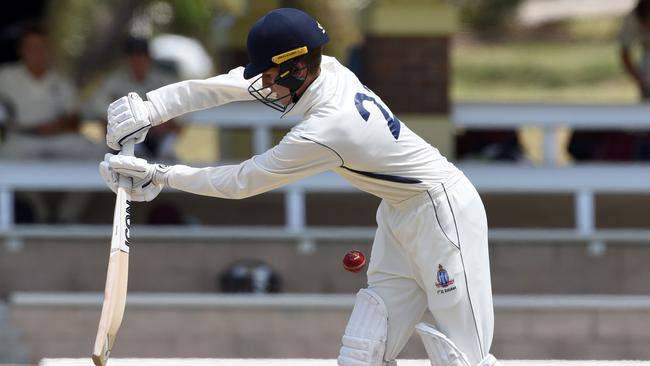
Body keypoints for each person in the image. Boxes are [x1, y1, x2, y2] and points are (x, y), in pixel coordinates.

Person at [99, 8, 499, 366]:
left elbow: (242, 182)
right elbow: (224, 86)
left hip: (444, 215)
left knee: (463, 359)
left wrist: (162, 175)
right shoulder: (329, 68)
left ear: (299, 68)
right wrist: (152, 107)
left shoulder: (328, 128)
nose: (265, 87)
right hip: (398, 213)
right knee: (365, 353)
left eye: (272, 78)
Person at [0, 24, 104, 223]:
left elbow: (75, 119)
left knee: (99, 154)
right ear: (22, 50)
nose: (37, 53)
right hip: (21, 138)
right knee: (4, 159)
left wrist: (56, 126)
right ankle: (38, 210)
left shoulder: (60, 80)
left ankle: (66, 215)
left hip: (58, 137)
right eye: (31, 47)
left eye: (41, 47)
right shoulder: (6, 76)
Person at [89, 36, 181, 162]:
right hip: (127, 140)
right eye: (132, 55)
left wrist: (161, 122)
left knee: (169, 167)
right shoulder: (116, 81)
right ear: (126, 59)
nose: (137, 60)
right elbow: (97, 104)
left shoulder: (162, 80)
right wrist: (123, 121)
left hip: (159, 140)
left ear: (148, 58)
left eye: (141, 55)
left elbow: (180, 111)